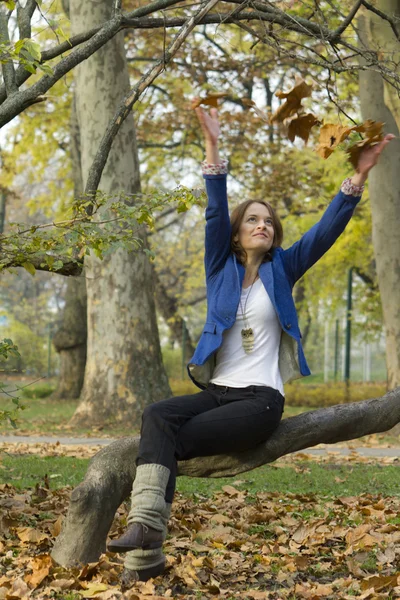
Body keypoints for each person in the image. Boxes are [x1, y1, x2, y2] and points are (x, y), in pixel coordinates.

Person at [108, 105, 394, 584]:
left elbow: (326, 232)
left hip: (260, 401)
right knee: (158, 416)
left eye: (269, 222)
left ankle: (145, 545)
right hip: (218, 391)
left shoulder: (284, 269)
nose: (263, 225)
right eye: (253, 220)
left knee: (163, 441)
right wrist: (214, 150)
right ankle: (146, 540)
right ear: (238, 234)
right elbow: (215, 210)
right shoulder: (219, 269)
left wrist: (357, 178)